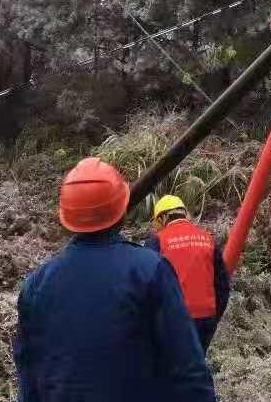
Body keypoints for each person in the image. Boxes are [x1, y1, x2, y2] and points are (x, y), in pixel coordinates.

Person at [13, 158, 216, 402]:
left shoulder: (36, 285)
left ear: (66, 218)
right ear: (122, 209)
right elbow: (187, 369)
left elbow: (28, 375)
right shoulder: (150, 271)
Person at [145, 195, 230, 353]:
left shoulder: (158, 242)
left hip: (172, 320)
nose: (155, 227)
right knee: (196, 365)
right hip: (205, 319)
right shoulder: (208, 240)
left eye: (155, 222)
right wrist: (213, 317)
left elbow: (145, 287)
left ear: (163, 218)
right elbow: (223, 286)